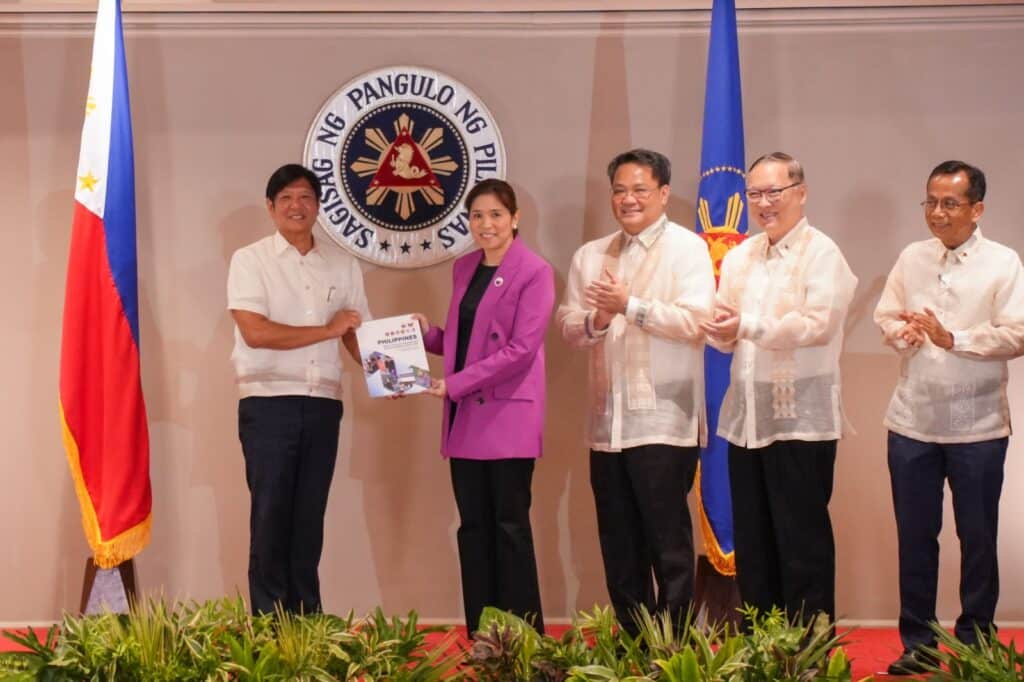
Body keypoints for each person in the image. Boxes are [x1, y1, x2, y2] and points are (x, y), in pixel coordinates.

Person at [874, 160, 1024, 675]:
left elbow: (1018, 334)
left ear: (977, 208)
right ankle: (918, 642)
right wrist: (903, 333)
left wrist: (952, 338)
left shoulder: (1004, 263)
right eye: (931, 202)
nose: (937, 213)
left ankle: (976, 641)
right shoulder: (912, 257)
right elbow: (886, 315)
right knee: (915, 536)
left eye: (950, 203)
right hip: (912, 421)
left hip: (978, 425)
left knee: (977, 538)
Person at [557, 149, 715, 636]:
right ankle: (632, 643)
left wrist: (632, 305)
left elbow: (697, 322)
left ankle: (674, 646)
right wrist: (598, 318)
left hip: (665, 422)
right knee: (619, 544)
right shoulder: (590, 255)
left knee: (667, 542)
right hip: (607, 425)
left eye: (640, 189)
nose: (629, 199)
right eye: (620, 190)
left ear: (664, 194)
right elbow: (568, 328)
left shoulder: (687, 249)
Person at [702, 152, 856, 629]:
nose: (764, 203)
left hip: (801, 422)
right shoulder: (742, 255)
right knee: (755, 541)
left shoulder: (822, 253)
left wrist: (744, 324)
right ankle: (759, 648)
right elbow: (723, 329)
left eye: (775, 192)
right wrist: (721, 330)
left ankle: (807, 650)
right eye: (755, 194)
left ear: (801, 193)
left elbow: (817, 325)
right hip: (746, 420)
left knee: (801, 542)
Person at [227, 163, 370, 615]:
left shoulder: (343, 264)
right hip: (268, 405)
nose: (296, 206)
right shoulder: (250, 260)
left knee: (309, 518)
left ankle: (307, 624)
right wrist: (328, 330)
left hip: (323, 406)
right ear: (270, 208)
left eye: (306, 197)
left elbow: (355, 334)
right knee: (270, 518)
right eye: (286, 197)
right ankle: (269, 627)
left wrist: (393, 372)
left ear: (318, 205)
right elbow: (256, 332)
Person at [415, 178, 554, 635]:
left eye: (496, 214)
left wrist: (453, 384)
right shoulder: (464, 267)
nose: (485, 223)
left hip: (507, 415)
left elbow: (521, 350)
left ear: (515, 219)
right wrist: (427, 335)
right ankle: (481, 632)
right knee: (472, 527)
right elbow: (464, 340)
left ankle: (522, 634)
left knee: (510, 527)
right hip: (467, 414)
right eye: (477, 215)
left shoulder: (535, 271)